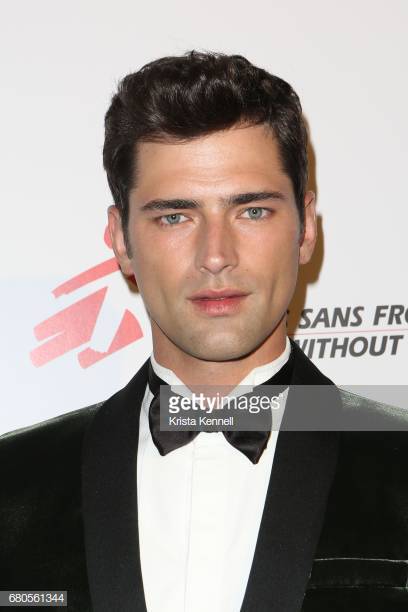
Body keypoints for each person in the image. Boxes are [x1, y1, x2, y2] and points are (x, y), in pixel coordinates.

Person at [1, 51, 407, 612]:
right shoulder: (13, 486)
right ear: (121, 240)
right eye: (175, 216)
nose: (215, 256)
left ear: (306, 228)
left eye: (252, 211)